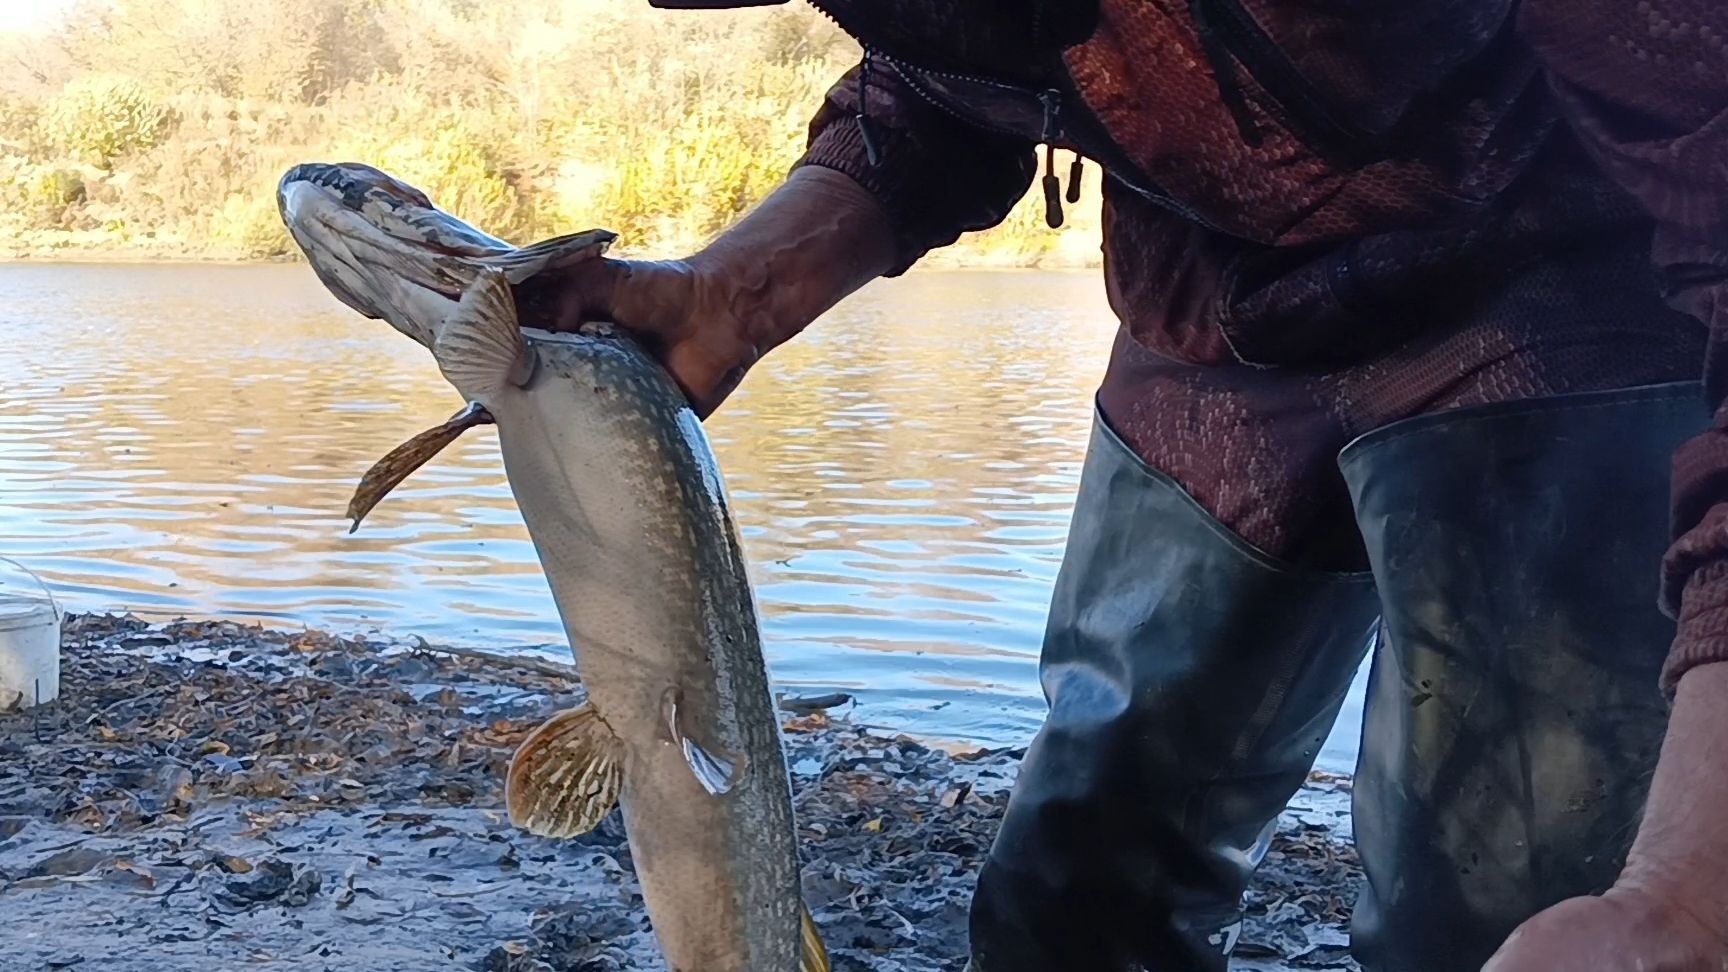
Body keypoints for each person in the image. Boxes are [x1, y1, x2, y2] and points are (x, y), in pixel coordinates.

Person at [512, 2, 1728, 969]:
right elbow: (959, 61)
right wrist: (742, 291)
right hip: (1211, 312)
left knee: (1495, 918)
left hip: (1560, 304)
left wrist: (1692, 901)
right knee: (1073, 902)